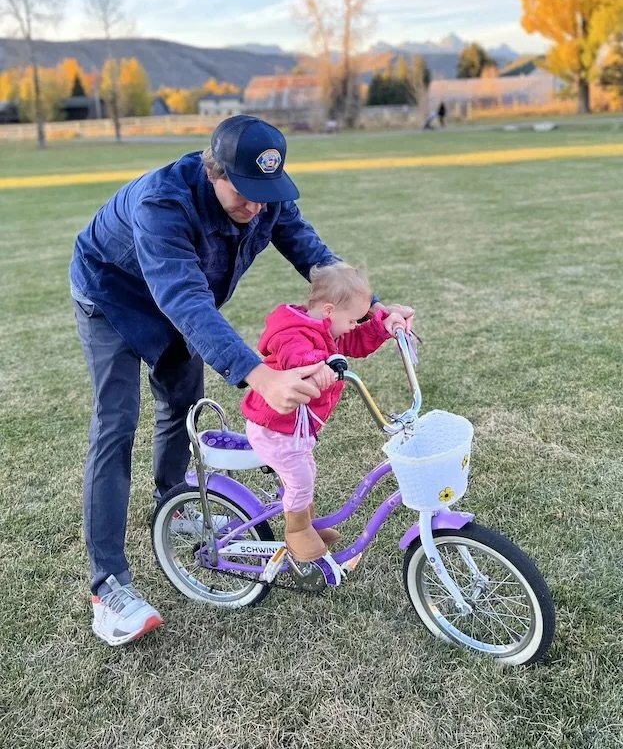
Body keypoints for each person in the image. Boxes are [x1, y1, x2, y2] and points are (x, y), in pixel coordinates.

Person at [69, 115, 413, 646]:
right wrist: (259, 375)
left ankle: (173, 502)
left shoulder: (266, 197)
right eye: (245, 192)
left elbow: (316, 258)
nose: (256, 206)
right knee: (116, 424)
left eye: (266, 193)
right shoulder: (161, 204)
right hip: (112, 295)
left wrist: (375, 313)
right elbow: (184, 299)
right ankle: (108, 588)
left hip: (182, 305)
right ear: (213, 170)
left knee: (181, 409)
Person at [241, 262, 409, 561]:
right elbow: (296, 355)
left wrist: (382, 326)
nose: (355, 325)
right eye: (354, 319)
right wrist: (317, 367)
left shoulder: (329, 326)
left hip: (295, 428)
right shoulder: (292, 331)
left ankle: (308, 525)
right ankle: (296, 533)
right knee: (300, 478)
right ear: (330, 310)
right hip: (274, 427)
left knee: (305, 473)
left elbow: (354, 341)